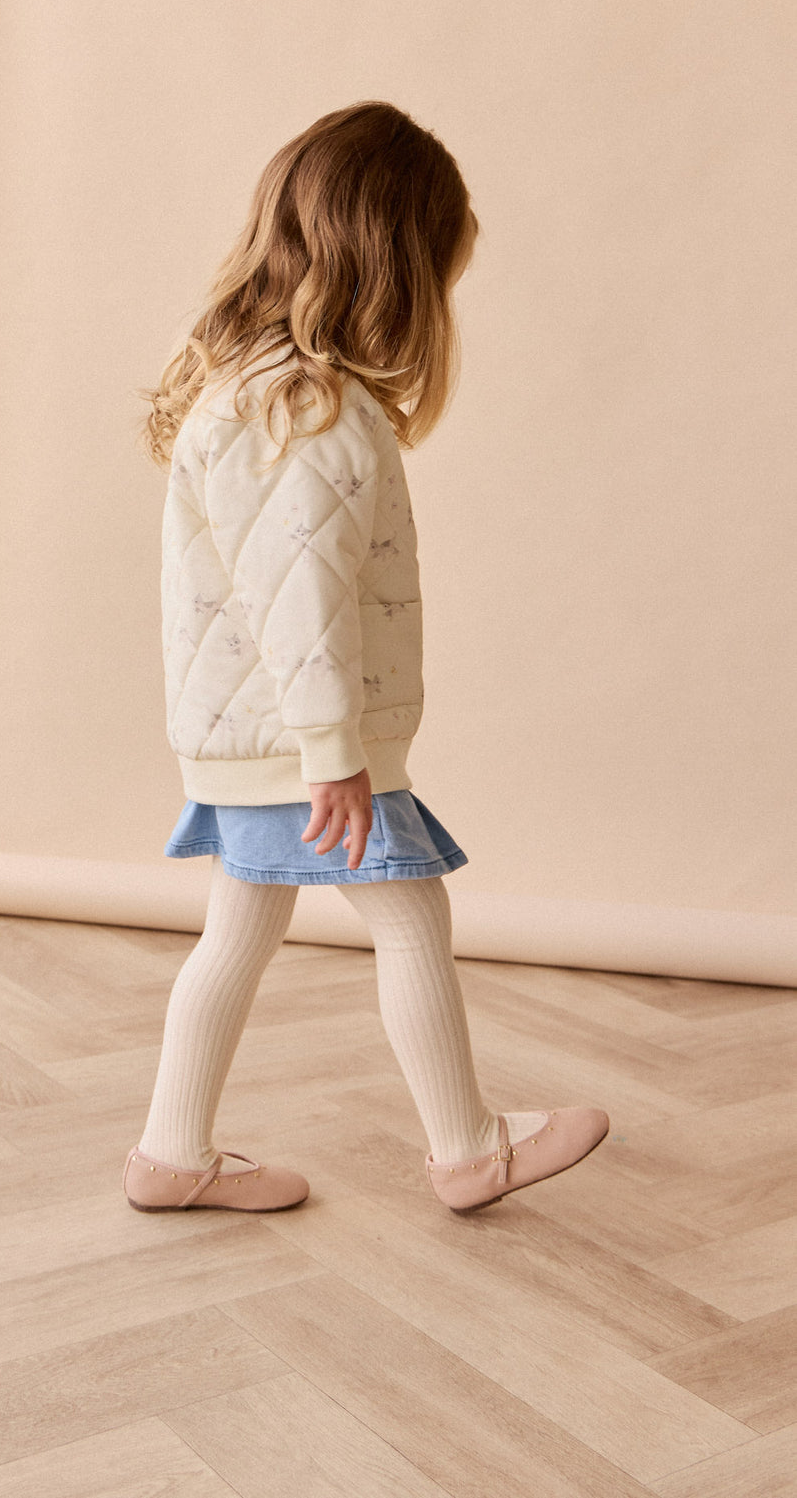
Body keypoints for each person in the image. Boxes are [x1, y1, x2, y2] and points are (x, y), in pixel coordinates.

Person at [125, 100, 608, 1216]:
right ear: (394, 266)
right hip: (305, 742)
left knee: (237, 930)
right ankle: (468, 1147)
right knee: (409, 914)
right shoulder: (309, 410)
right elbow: (298, 603)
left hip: (252, 737)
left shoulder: (244, 391)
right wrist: (333, 751)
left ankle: (171, 1152)